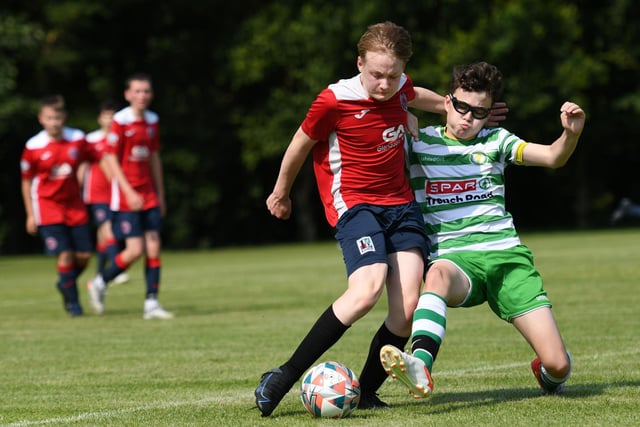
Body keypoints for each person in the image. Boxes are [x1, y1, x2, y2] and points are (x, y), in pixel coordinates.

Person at [254, 22, 506, 416]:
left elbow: (419, 95)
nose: (385, 84)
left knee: (407, 309)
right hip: (355, 205)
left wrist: (464, 111)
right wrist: (281, 192)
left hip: (401, 206)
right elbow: (300, 143)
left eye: (393, 75)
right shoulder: (334, 100)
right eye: (375, 74)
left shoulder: (401, 86)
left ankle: (367, 390)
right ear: (360, 63)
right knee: (366, 290)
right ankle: (282, 377)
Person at [380, 61, 584, 398]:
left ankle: (547, 371)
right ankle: (420, 364)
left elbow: (551, 157)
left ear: (489, 114)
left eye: (478, 112)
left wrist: (570, 134)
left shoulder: (496, 141)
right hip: (456, 259)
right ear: (447, 102)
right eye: (460, 107)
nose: (467, 118)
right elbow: (379, 93)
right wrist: (401, 113)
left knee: (559, 366)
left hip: (507, 260)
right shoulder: (418, 141)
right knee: (437, 276)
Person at [86, 73, 173, 320]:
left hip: (149, 194)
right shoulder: (120, 121)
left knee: (154, 247)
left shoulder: (153, 120)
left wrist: (160, 194)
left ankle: (151, 303)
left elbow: (154, 157)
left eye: (146, 91)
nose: (142, 95)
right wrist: (129, 192)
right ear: (128, 94)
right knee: (135, 250)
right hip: (126, 196)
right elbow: (110, 158)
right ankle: (101, 282)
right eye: (137, 91)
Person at [20, 95, 106, 317]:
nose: (54, 122)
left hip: (74, 205)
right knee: (65, 254)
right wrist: (30, 214)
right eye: (49, 118)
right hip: (47, 205)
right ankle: (74, 304)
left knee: (84, 256)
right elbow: (27, 181)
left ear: (64, 117)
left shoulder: (77, 138)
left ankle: (64, 283)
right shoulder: (34, 146)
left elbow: (96, 157)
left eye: (57, 117)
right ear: (41, 119)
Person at [79, 100, 129, 285]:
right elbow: (82, 166)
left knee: (104, 235)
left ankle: (100, 276)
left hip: (117, 193)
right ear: (100, 119)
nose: (109, 120)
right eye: (106, 116)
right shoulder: (90, 140)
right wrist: (78, 187)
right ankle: (117, 269)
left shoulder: (120, 138)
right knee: (108, 229)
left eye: (113, 117)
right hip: (96, 193)